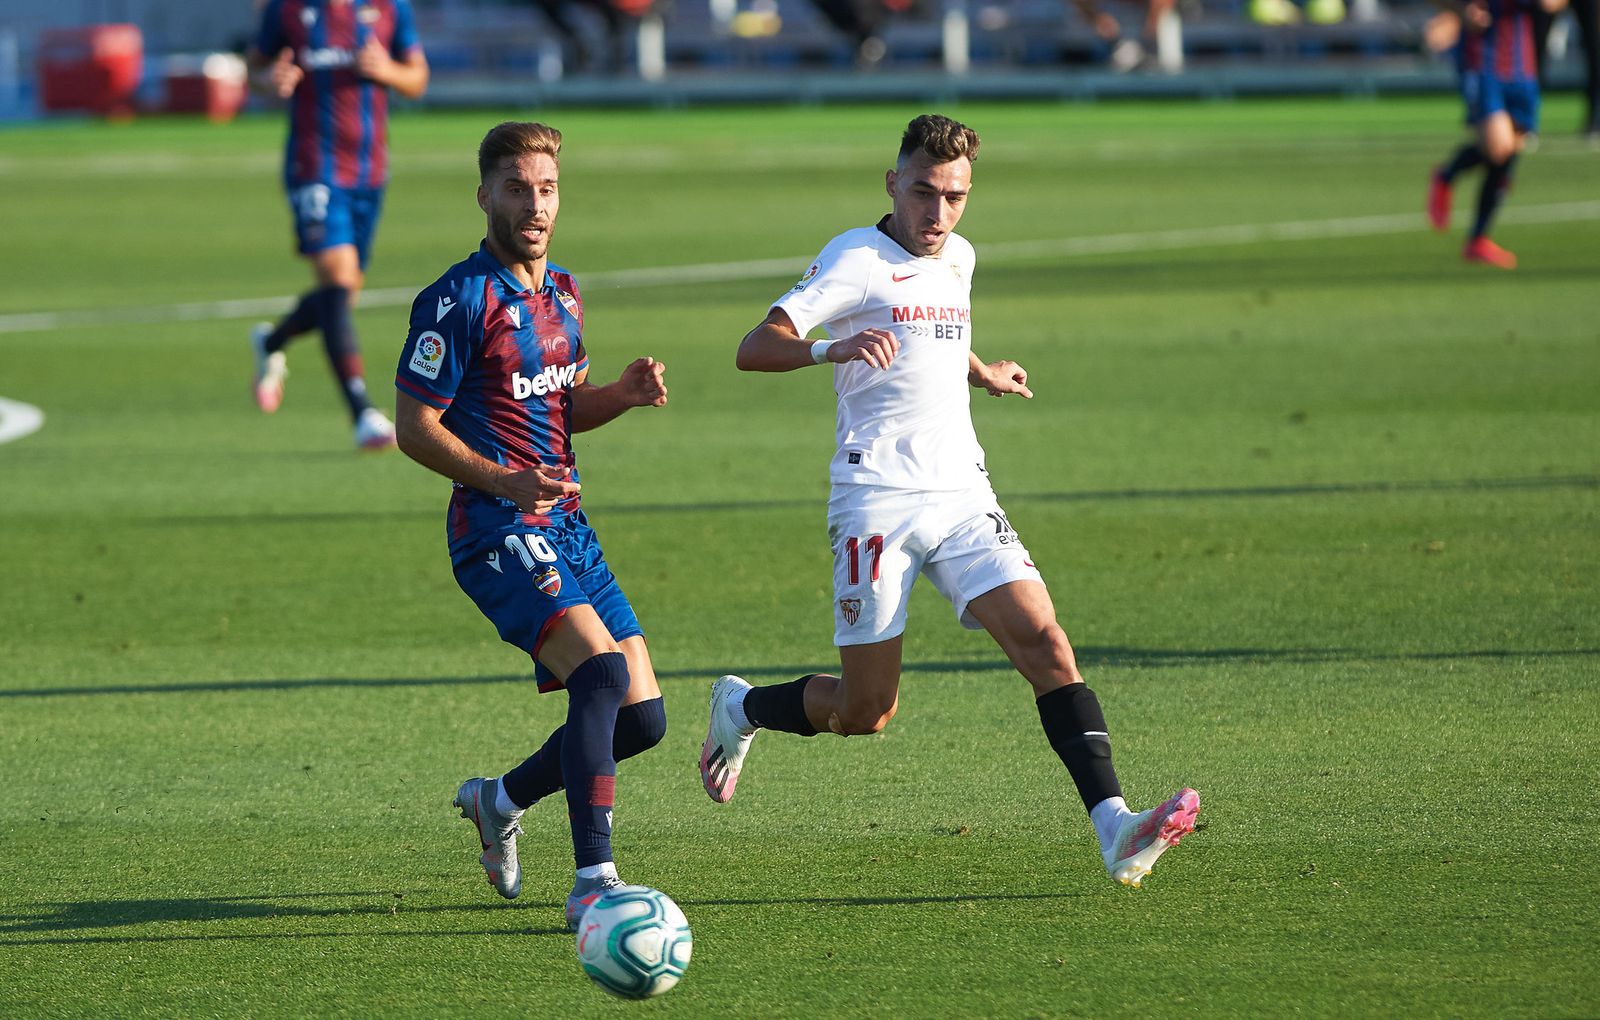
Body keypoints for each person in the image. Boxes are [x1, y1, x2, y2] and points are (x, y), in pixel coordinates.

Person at [699, 114, 1199, 890]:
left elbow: (932, 328)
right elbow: (754, 346)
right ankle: (744, 708)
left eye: (955, 197)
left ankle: (1115, 827)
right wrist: (833, 346)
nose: (938, 213)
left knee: (1046, 643)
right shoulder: (855, 259)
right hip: (876, 499)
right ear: (892, 183)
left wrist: (981, 370)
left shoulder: (959, 256)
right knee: (867, 710)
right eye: (924, 192)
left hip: (962, 489)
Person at [393, 121, 670, 928]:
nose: (534, 205)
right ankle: (594, 881)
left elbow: (560, 406)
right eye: (517, 188)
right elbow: (414, 427)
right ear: (484, 196)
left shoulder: (565, 295)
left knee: (642, 720)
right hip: (494, 527)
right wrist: (501, 480)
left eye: (546, 189)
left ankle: (500, 799)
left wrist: (620, 395)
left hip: (568, 525)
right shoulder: (457, 301)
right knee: (601, 676)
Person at [247, 0, 430, 449]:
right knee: (338, 279)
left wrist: (387, 70)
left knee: (342, 296)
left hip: (370, 173)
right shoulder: (287, 9)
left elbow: (417, 79)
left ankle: (271, 341)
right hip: (314, 168)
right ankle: (362, 412)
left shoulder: (389, 8)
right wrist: (269, 80)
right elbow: (254, 69)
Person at [1427, 0, 1569, 270]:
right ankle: (1447, 176)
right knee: (1498, 147)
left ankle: (1477, 239)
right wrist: (1462, 12)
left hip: (1523, 67)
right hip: (1484, 65)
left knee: (1510, 149)